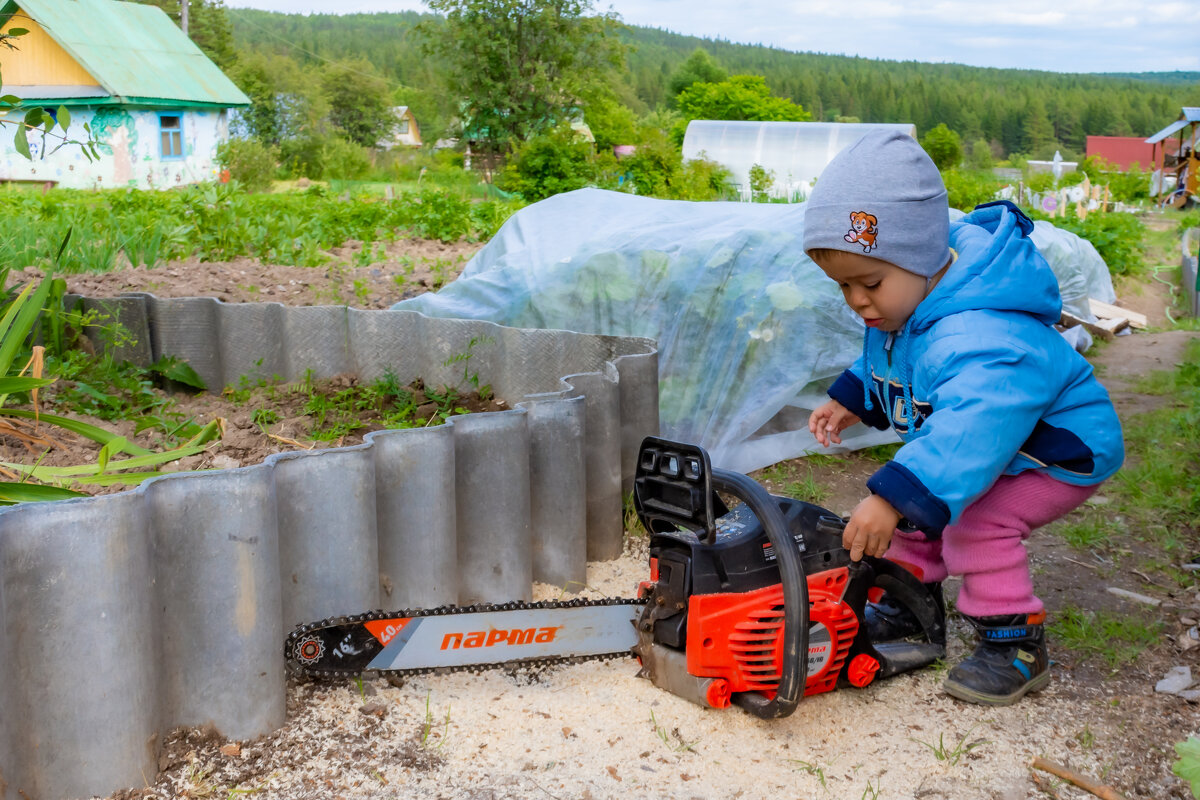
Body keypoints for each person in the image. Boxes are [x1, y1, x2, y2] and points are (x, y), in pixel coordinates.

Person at [802, 130, 1124, 706]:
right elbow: (894, 355)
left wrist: (893, 497)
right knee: (919, 504)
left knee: (972, 522)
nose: (856, 300)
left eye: (869, 283)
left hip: (1053, 452)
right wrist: (855, 395)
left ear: (923, 256)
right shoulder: (917, 300)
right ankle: (908, 604)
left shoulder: (985, 334)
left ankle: (1015, 644)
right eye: (843, 285)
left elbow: (971, 430)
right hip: (993, 445)